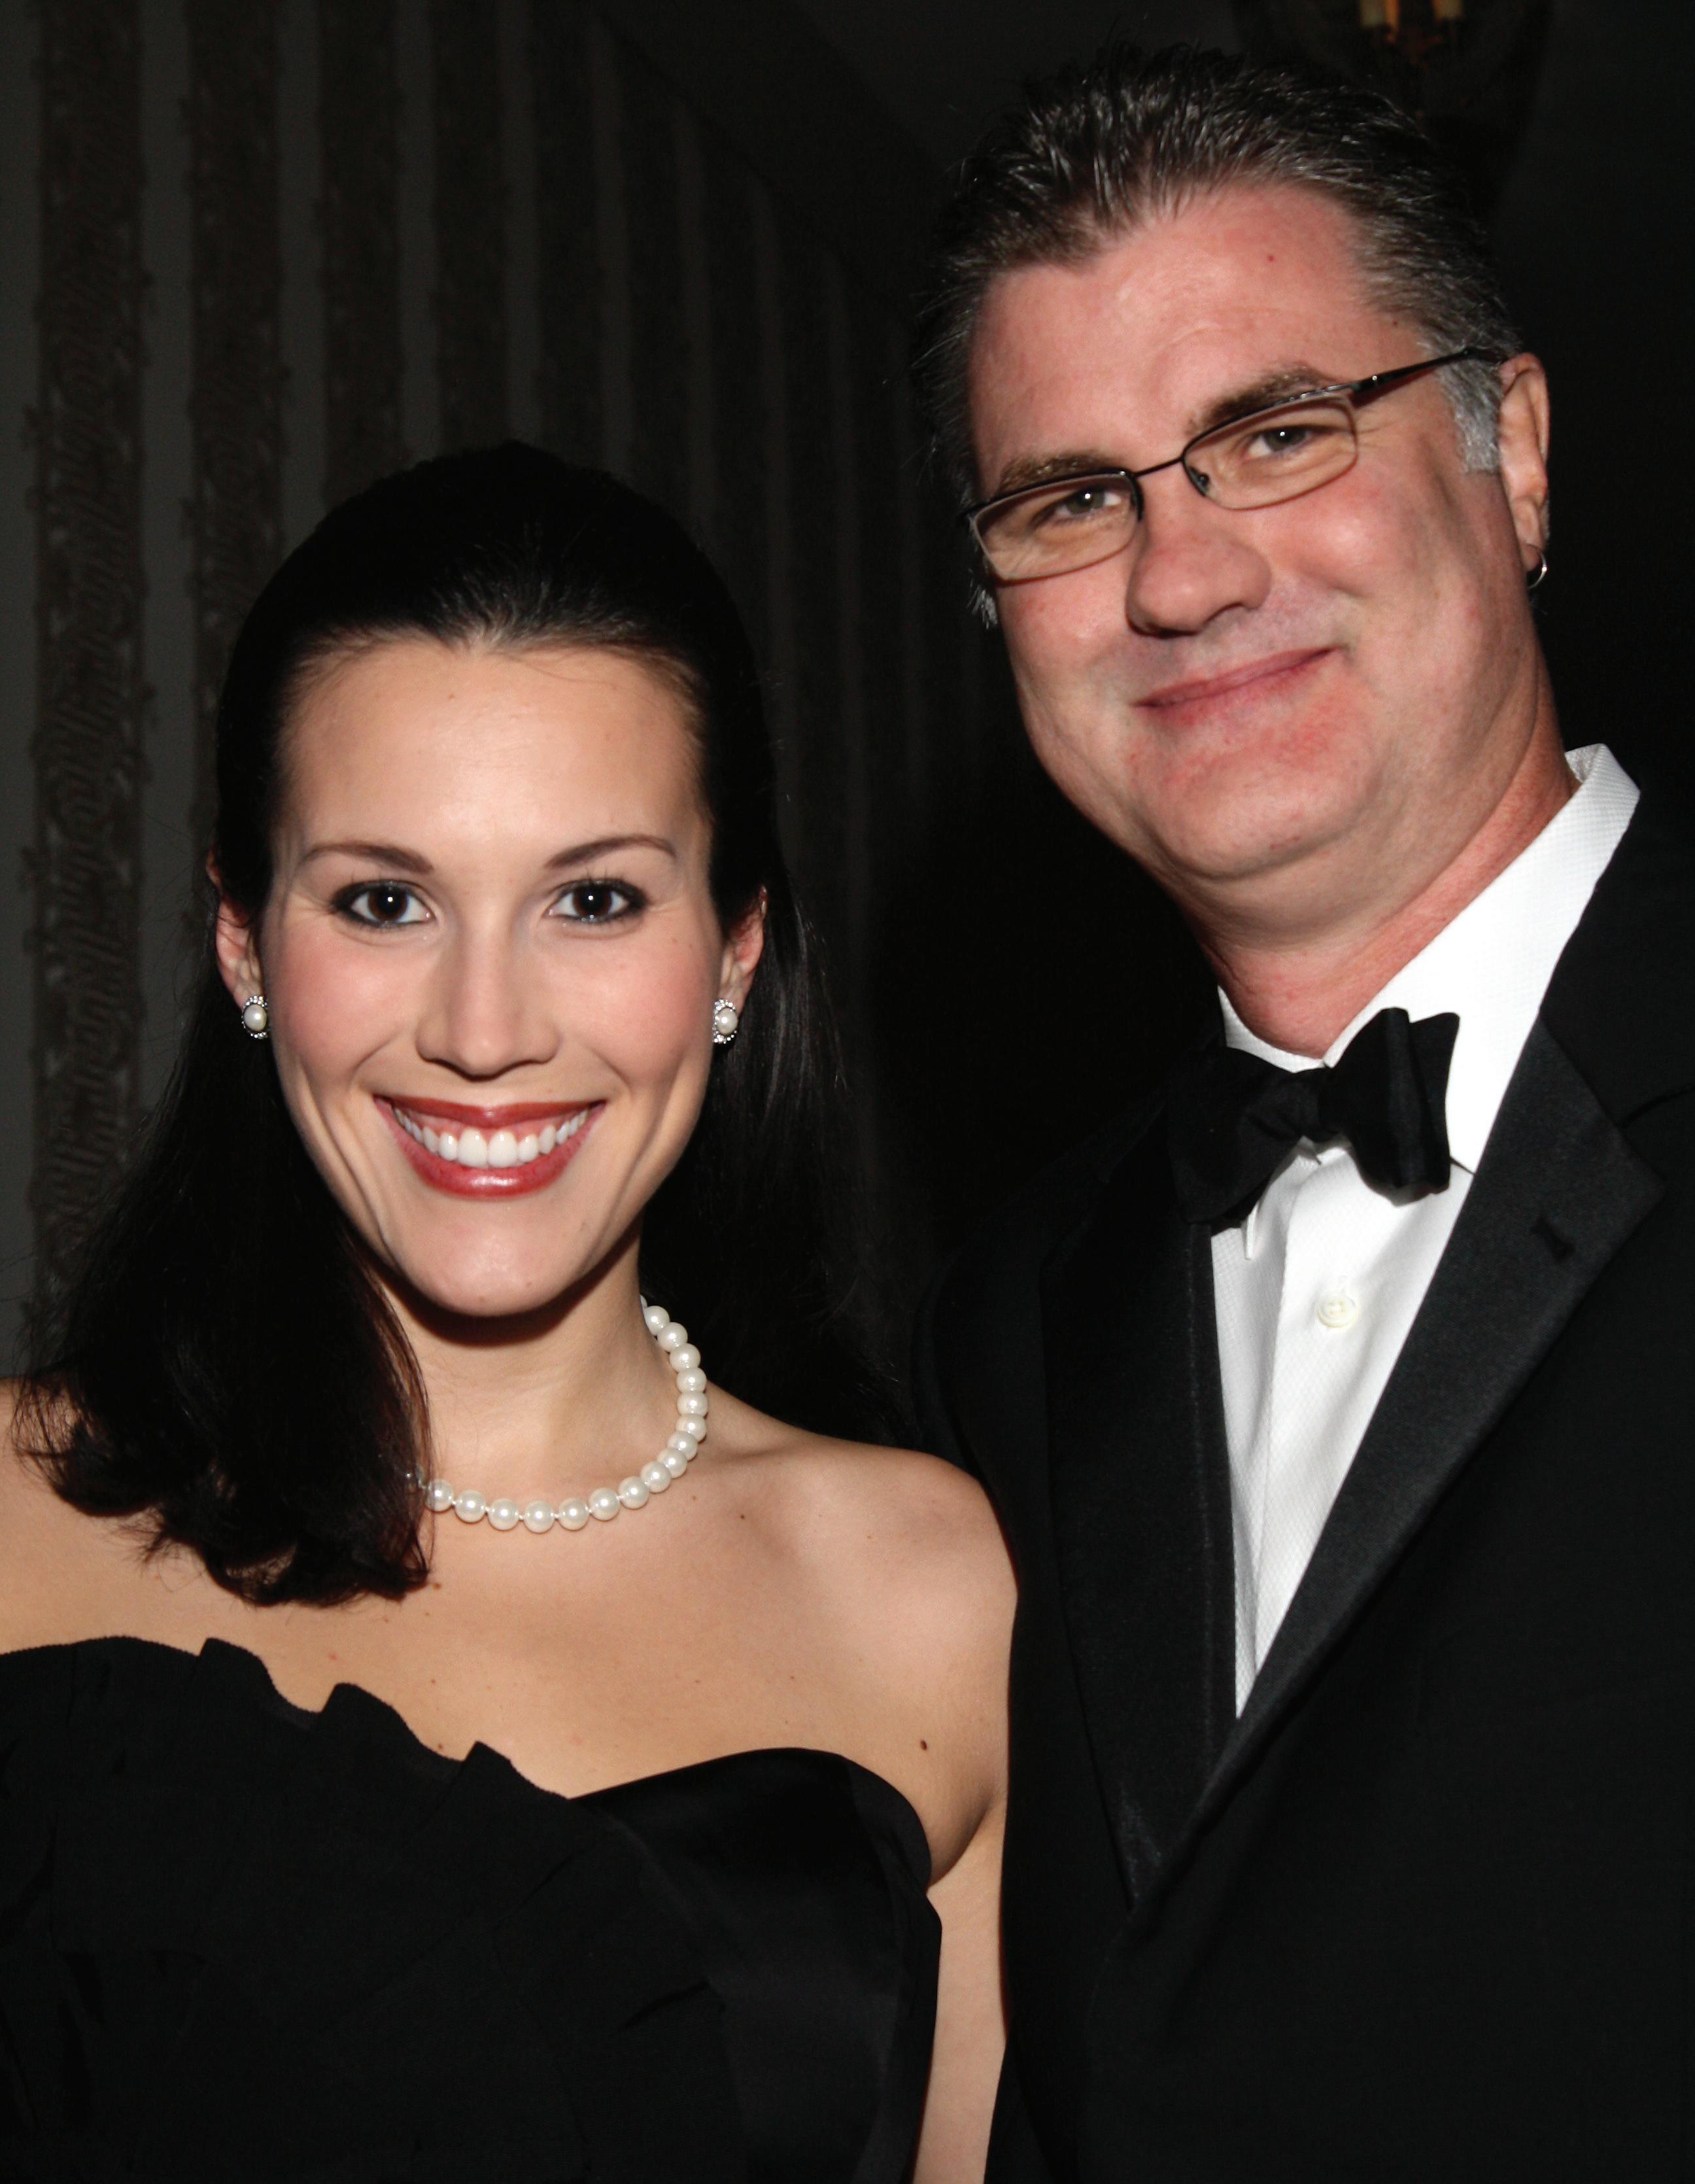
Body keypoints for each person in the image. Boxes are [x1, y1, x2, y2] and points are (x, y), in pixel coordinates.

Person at [0, 446, 1012, 2181]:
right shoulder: (16, 1513)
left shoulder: (936, 1591)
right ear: (244, 946)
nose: (485, 1030)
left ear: (736, 950)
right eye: (383, 901)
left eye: (594, 899)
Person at [911, 41, 1692, 2183]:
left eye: (1277, 433)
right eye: (1072, 499)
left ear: (1515, 454)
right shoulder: (1006, 1321)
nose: (1179, 577)